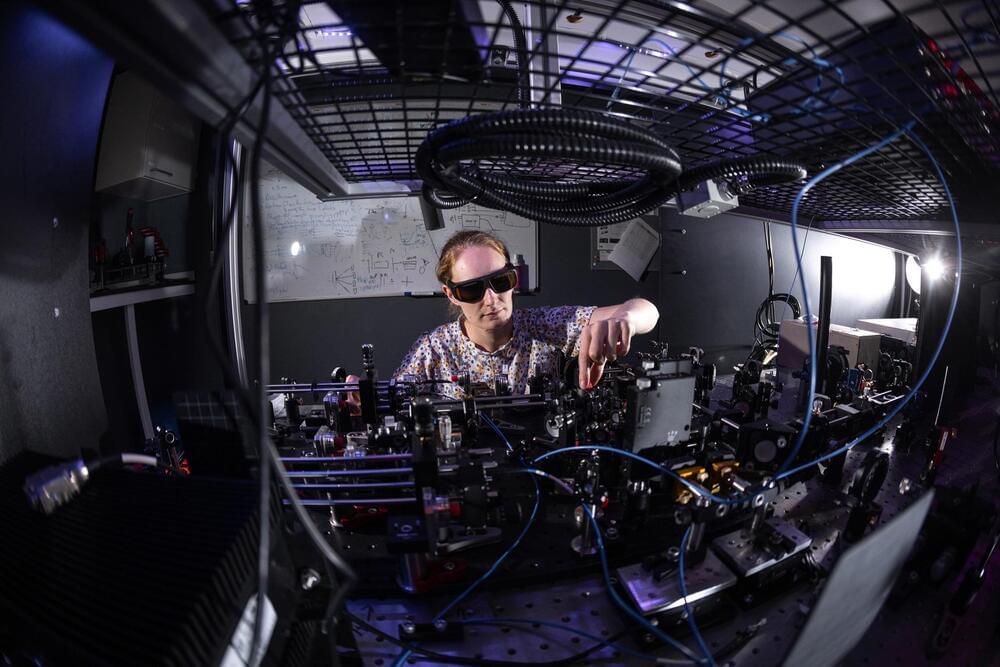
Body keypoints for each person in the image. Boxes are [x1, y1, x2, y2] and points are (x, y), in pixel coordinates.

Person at [392, 230, 659, 398]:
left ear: (514, 278)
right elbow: (393, 402)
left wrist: (625, 320)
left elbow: (648, 311)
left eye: (501, 281)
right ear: (451, 294)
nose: (491, 299)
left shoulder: (544, 327)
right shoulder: (433, 349)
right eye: (472, 289)